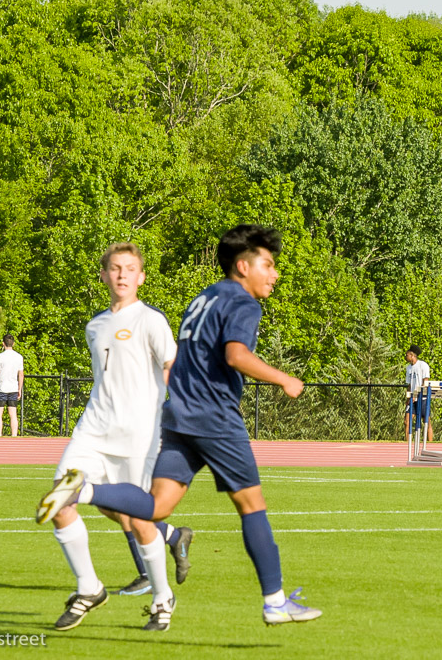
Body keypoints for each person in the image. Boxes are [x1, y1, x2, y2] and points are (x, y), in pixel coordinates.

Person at [36, 225, 322, 631]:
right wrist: (284, 379)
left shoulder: (203, 297)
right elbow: (236, 355)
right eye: (269, 265)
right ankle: (275, 601)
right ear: (243, 266)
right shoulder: (243, 302)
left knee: (155, 508)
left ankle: (82, 490)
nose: (274, 274)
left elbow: (181, 360)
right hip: (216, 419)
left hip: (178, 418)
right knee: (252, 505)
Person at [40, 243, 194, 631]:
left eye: (130, 268)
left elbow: (172, 365)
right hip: (93, 430)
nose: (122, 274)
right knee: (59, 500)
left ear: (141, 277)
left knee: (140, 520)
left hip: (140, 436)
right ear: (104, 276)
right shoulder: (94, 325)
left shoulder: (151, 320)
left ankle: (162, 599)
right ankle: (89, 588)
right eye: (115, 268)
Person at [0, 335, 24, 437]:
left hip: (1, 389)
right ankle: (14, 436)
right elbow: (21, 374)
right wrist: (19, 388)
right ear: (13, 343)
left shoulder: (0, 357)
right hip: (13, 389)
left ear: (3, 343)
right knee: (13, 414)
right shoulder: (19, 357)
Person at [403, 345, 432, 441]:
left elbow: (425, 381)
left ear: (412, 355)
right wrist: (408, 398)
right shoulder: (408, 368)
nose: (405, 356)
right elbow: (409, 384)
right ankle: (406, 443)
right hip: (412, 398)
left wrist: (419, 394)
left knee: (426, 422)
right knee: (407, 421)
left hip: (422, 398)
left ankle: (430, 443)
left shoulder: (423, 365)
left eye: (407, 355)